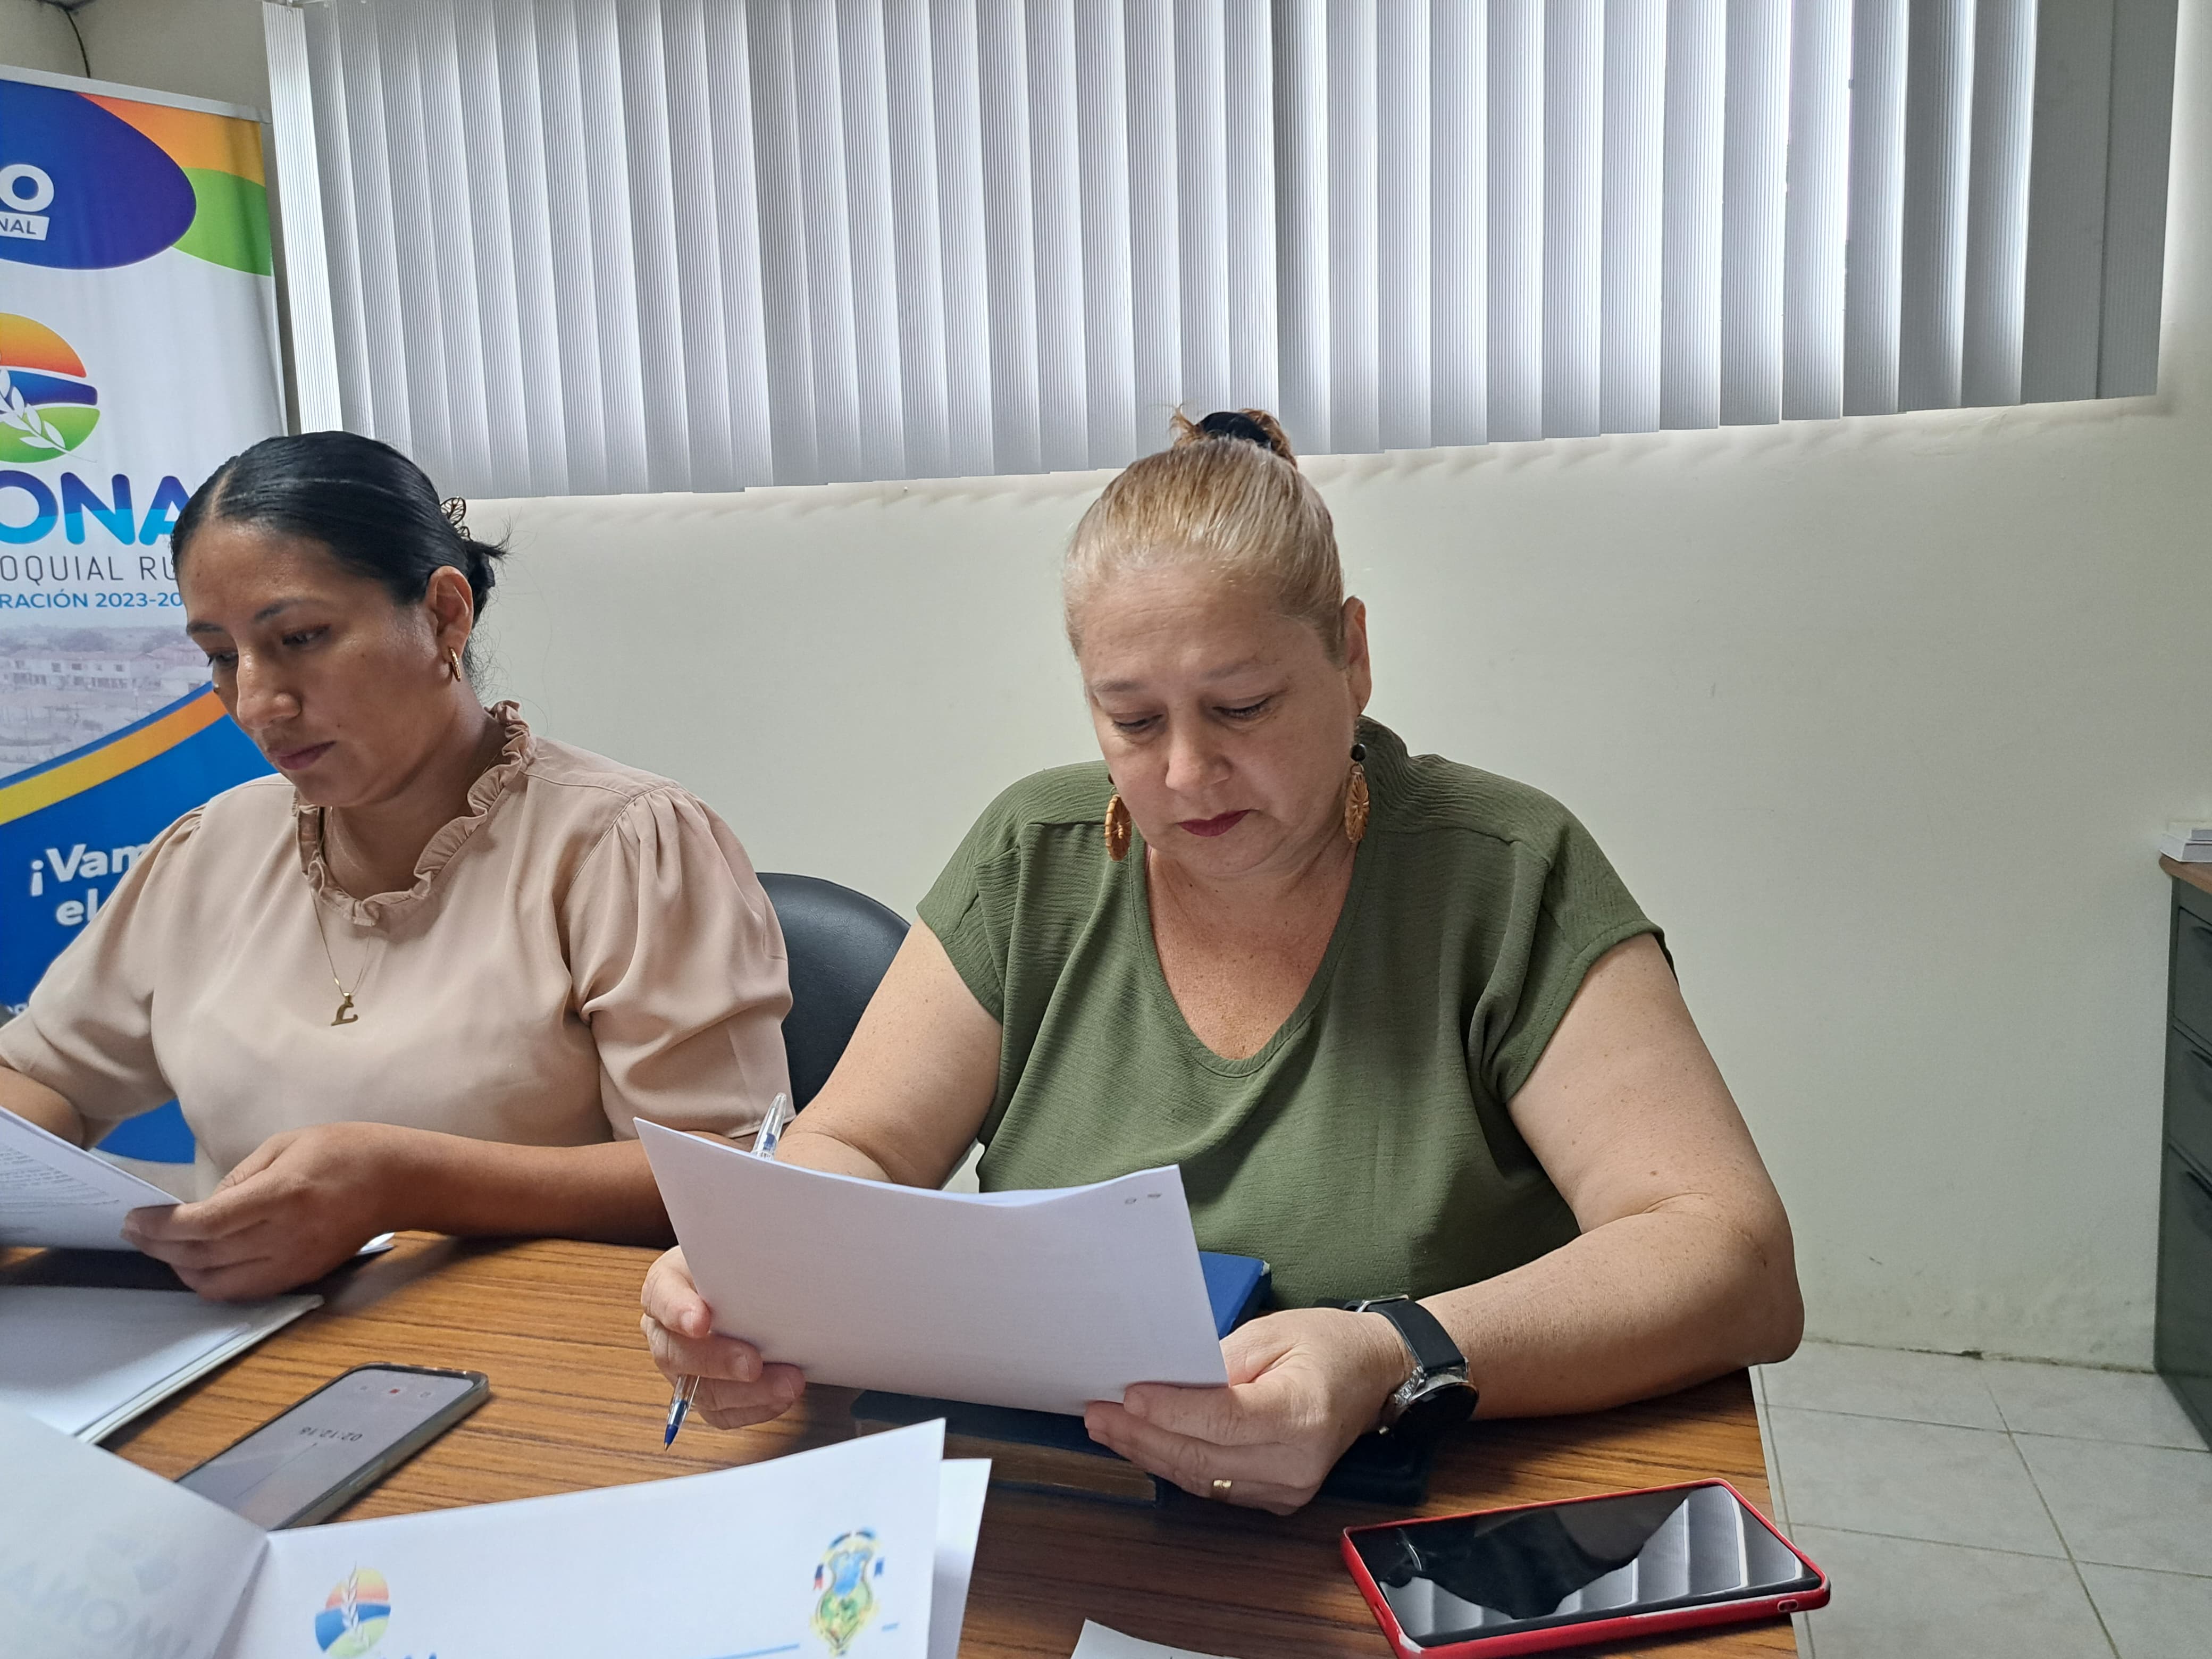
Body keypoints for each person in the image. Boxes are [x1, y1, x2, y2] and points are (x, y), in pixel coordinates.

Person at [640, 410, 1802, 1513]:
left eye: (1242, 706)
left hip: (1424, 1516)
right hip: (1069, 1505)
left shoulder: (1503, 876)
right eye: (1134, 722)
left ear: (1352, 655)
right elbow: (862, 1145)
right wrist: (751, 1271)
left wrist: (1394, 1355)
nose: (1188, 775)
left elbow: (1732, 1256)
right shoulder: (1033, 858)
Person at [0, 432, 791, 1300]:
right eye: (221, 656)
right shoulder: (212, 848)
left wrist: (408, 1184)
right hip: (240, 1337)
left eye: (301, 636)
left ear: (445, 615)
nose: (257, 702)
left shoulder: (622, 844)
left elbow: (730, 1175)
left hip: (540, 1342)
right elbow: (39, 1080)